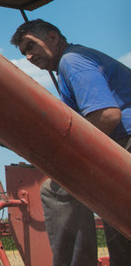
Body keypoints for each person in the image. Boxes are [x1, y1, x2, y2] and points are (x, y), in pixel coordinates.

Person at [11, 19, 131, 266]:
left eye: (31, 46)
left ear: (53, 37)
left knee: (56, 191)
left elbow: (107, 115)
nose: (29, 56)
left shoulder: (71, 61)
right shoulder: (76, 60)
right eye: (25, 53)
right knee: (119, 218)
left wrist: (72, 157)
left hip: (125, 140)